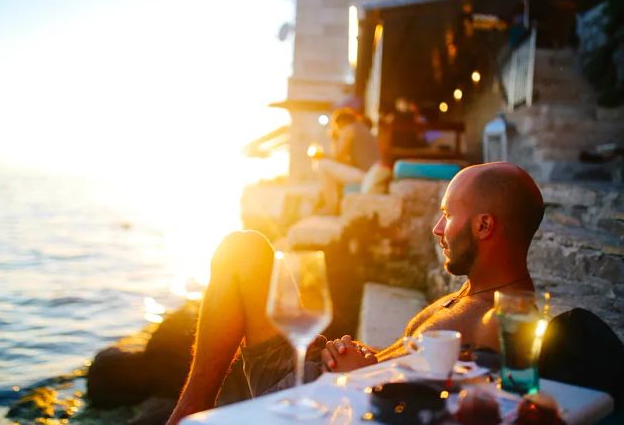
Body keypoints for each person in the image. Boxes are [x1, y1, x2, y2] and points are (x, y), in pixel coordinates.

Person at [166, 162, 544, 424]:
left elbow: (458, 404)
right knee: (246, 249)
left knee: (242, 252)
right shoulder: (473, 293)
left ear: (483, 225)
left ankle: (188, 413)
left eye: (448, 214)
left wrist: (364, 379)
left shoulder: (501, 320)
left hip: (327, 398)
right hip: (332, 373)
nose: (437, 228)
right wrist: (360, 356)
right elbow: (415, 362)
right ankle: (192, 409)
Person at [313, 107, 379, 214]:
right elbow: (345, 161)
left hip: (365, 175)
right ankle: (334, 204)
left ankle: (331, 207)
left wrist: (333, 141)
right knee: (330, 170)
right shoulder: (363, 128)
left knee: (322, 165)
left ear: (340, 123)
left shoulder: (349, 129)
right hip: (373, 173)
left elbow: (338, 157)